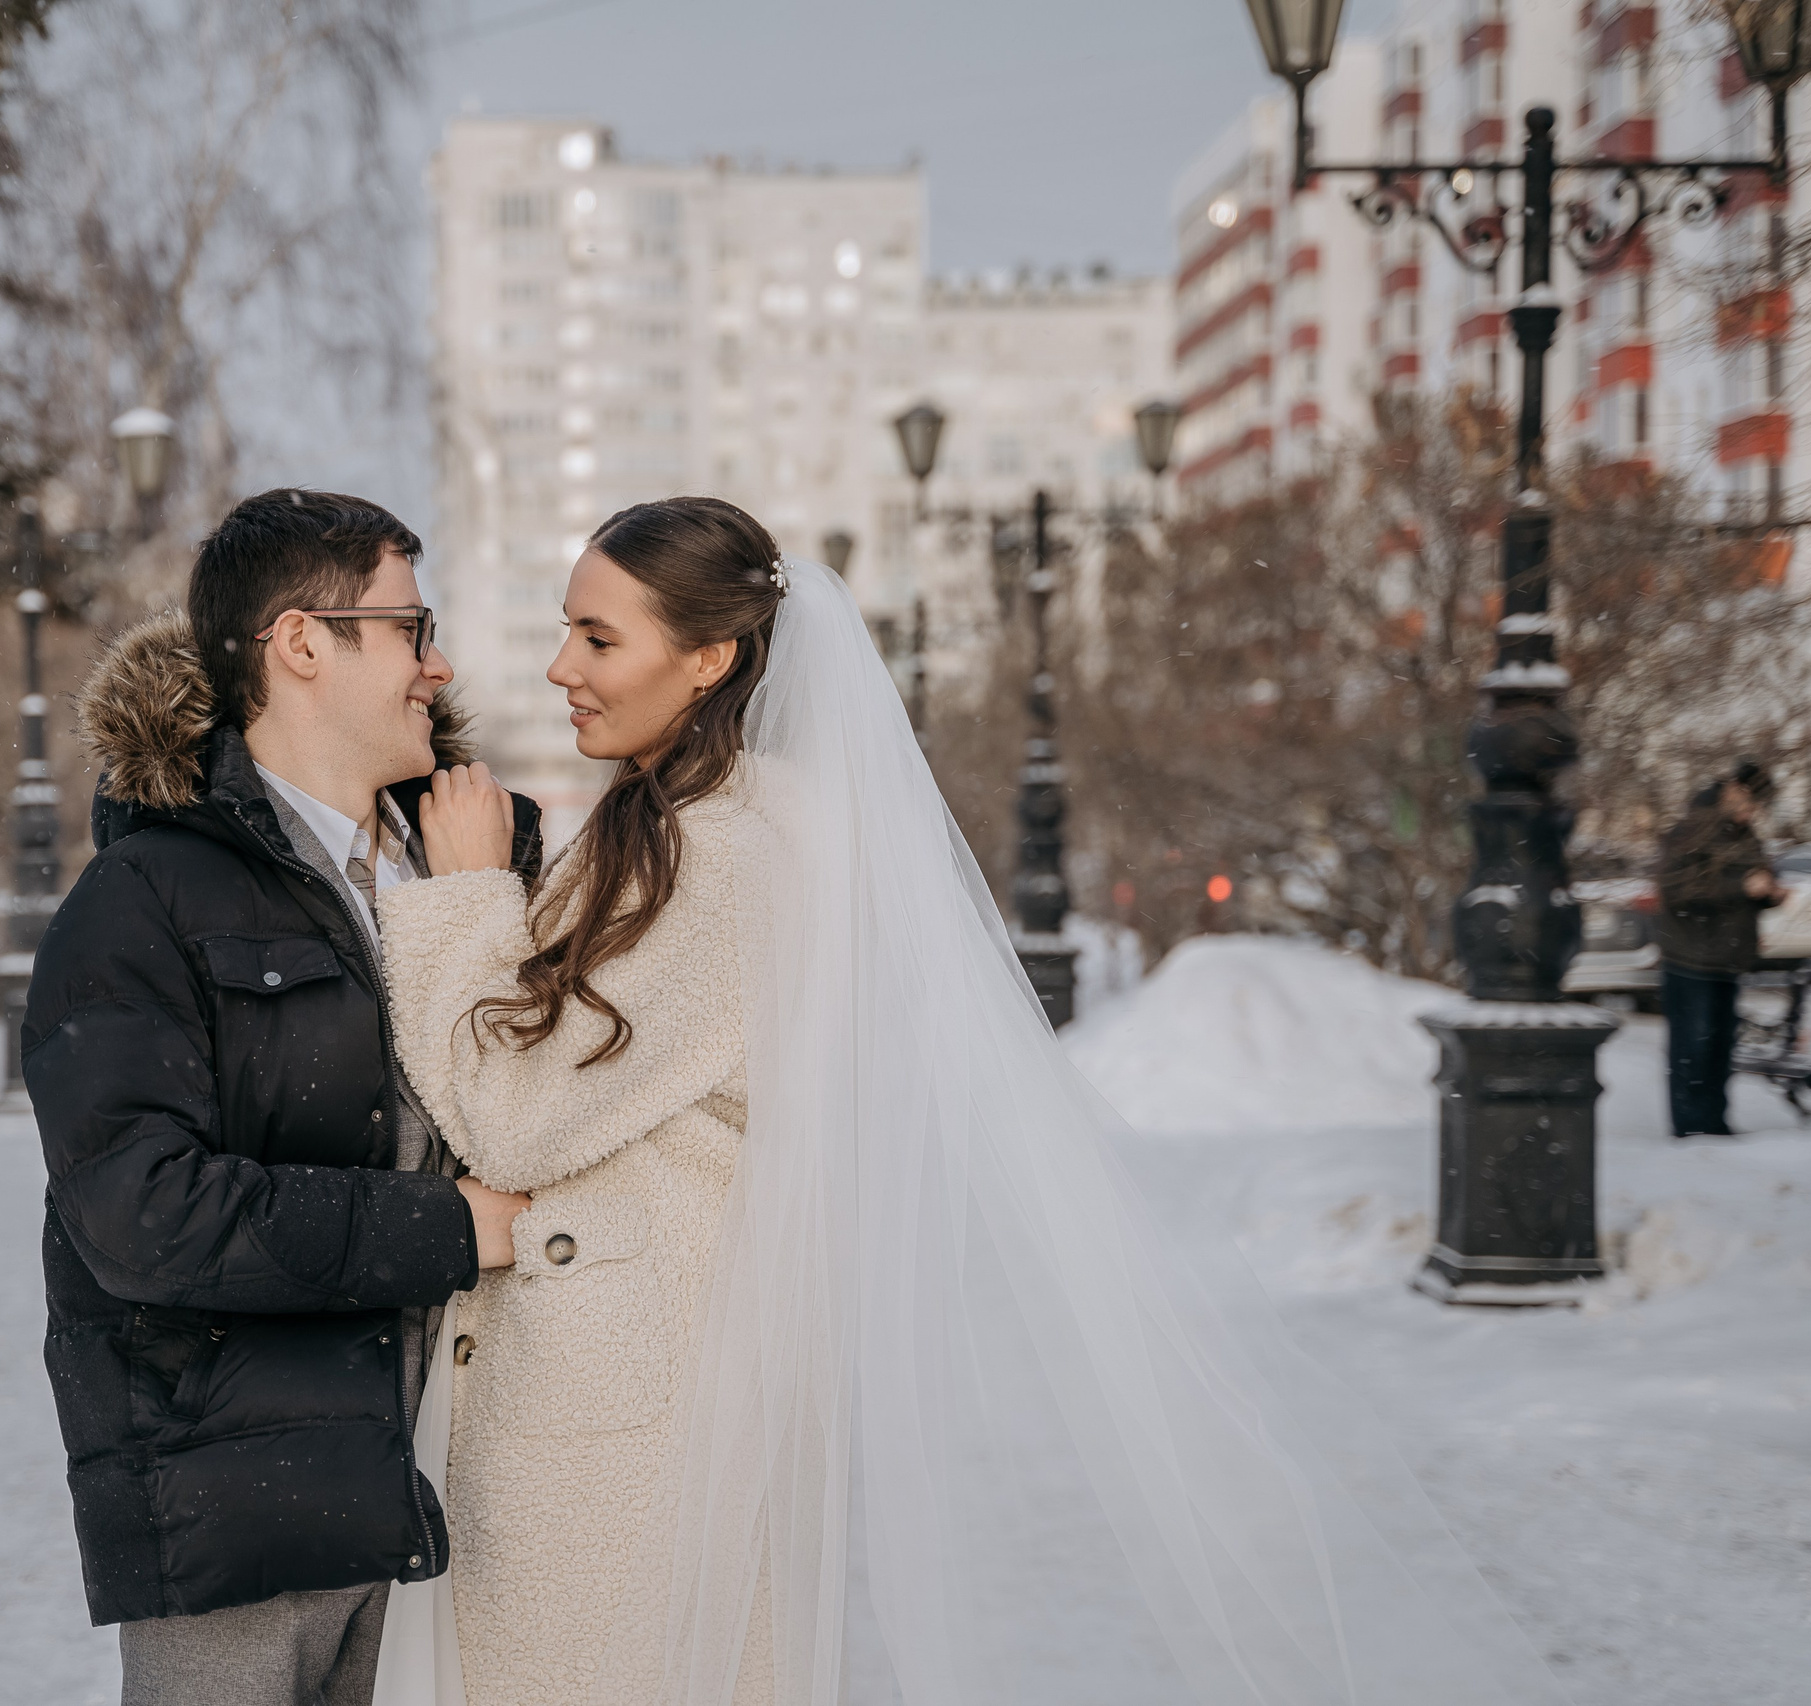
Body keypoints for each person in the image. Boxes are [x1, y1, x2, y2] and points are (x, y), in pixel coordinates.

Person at [374, 496, 1570, 1706]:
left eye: (595, 636)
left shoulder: (727, 853)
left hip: (623, 1406)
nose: (557, 665)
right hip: (634, 1376)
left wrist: (460, 900)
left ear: (710, 658)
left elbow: (519, 1113)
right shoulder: (682, 826)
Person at [21, 488, 541, 1706]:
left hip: (466, 1496)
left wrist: (488, 903)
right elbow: (144, 1214)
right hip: (242, 1511)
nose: (438, 662)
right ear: (302, 642)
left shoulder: (473, 860)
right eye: (410, 626)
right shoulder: (144, 897)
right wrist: (448, 1230)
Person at [1655, 760, 1782, 1138]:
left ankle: (1714, 1122)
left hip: (1728, 958)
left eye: (1758, 806)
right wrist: (1740, 889)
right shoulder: (1692, 829)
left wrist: (1768, 893)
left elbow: (1751, 880)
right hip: (1690, 956)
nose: (1752, 811)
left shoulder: (1746, 836)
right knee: (1693, 1045)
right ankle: (1691, 1127)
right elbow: (1676, 890)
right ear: (1731, 789)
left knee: (1720, 1048)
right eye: (1749, 801)